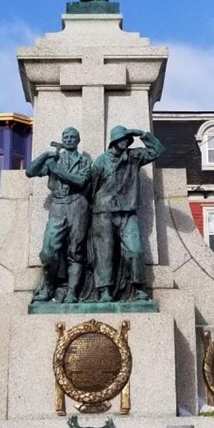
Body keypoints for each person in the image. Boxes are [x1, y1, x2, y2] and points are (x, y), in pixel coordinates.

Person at [90, 125, 164, 302]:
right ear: (114, 141)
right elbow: (91, 188)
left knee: (135, 250)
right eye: (122, 138)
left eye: (127, 139)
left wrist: (142, 134)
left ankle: (139, 288)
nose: (125, 141)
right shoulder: (101, 162)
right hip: (103, 211)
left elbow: (158, 151)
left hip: (127, 211)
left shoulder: (134, 156)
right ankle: (104, 290)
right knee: (104, 252)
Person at [26, 128, 91, 303]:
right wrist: (45, 156)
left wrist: (56, 169)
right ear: (62, 140)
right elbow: (30, 172)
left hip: (77, 204)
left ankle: (72, 292)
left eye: (72, 137)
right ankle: (48, 287)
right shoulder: (55, 158)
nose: (69, 140)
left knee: (75, 251)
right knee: (48, 252)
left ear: (78, 140)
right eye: (66, 137)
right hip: (58, 205)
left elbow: (80, 181)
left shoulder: (84, 160)